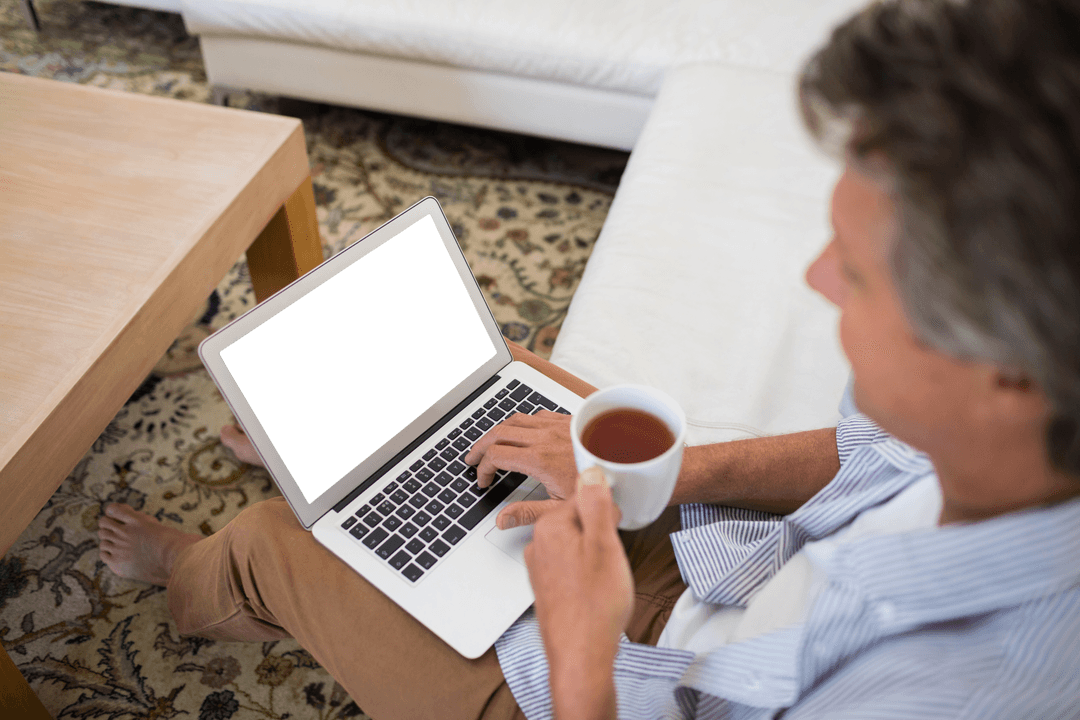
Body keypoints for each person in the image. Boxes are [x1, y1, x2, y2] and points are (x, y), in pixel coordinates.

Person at [97, 0, 1080, 716]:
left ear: (1002, 374)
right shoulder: (1018, 436)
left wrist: (580, 648)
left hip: (596, 686)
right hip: (725, 575)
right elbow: (877, 452)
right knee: (505, 392)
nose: (819, 279)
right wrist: (670, 473)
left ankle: (200, 574)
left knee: (269, 537)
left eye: (859, 274)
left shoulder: (955, 695)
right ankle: (354, 459)